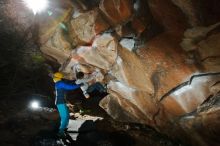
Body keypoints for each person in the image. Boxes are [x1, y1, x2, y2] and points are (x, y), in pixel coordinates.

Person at [52, 72, 81, 137]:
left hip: (61, 102)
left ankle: (63, 129)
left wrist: (74, 82)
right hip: (60, 102)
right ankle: (61, 132)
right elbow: (69, 87)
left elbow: (67, 85)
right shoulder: (59, 83)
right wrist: (79, 85)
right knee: (65, 117)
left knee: (66, 116)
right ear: (60, 78)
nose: (53, 78)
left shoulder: (58, 83)